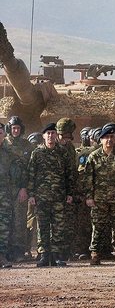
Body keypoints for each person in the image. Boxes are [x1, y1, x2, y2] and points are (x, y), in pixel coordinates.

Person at [26, 123, 74, 267]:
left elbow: (69, 174)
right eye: (48, 133)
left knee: (58, 226)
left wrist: (70, 193)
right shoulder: (37, 153)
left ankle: (56, 256)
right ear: (43, 136)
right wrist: (31, 194)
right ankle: (44, 255)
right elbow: (31, 175)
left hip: (59, 196)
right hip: (42, 197)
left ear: (56, 135)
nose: (51, 136)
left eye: (53, 133)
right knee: (43, 226)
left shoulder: (63, 152)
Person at [83, 123, 115, 265]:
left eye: (111, 137)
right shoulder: (94, 157)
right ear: (101, 140)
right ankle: (95, 254)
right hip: (99, 199)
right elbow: (88, 179)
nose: (109, 140)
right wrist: (89, 197)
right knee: (98, 227)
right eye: (106, 137)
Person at [4, 115, 32, 262]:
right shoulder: (4, 144)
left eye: (18, 128)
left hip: (20, 188)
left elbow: (30, 168)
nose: (15, 130)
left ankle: (19, 251)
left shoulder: (27, 145)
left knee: (20, 221)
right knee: (6, 220)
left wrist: (24, 188)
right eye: (13, 128)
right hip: (5, 188)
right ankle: (5, 251)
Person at [54, 118, 78, 262]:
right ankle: (53, 252)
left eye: (68, 137)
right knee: (55, 224)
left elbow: (72, 170)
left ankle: (66, 251)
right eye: (63, 137)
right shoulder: (52, 148)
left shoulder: (70, 148)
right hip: (54, 191)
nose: (65, 140)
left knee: (69, 222)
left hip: (68, 190)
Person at [72, 126, 95, 260]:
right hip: (80, 194)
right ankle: (81, 249)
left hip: (95, 193)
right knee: (81, 223)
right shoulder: (78, 153)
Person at [0, 126, 19, 268]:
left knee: (4, 226)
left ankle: (1, 256)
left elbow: (17, 175)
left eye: (0, 133)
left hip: (4, 195)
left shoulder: (9, 153)